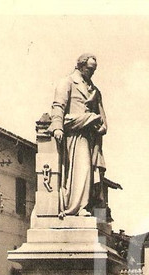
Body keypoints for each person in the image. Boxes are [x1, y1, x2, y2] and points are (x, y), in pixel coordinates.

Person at [48, 54, 108, 218]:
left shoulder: (95, 90)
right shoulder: (67, 82)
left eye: (94, 70)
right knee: (80, 169)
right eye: (90, 69)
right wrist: (58, 127)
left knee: (87, 172)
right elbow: (58, 106)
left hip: (89, 137)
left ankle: (82, 206)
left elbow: (103, 121)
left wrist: (98, 124)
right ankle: (75, 207)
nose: (92, 73)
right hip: (73, 134)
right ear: (80, 66)